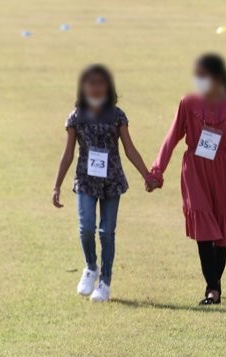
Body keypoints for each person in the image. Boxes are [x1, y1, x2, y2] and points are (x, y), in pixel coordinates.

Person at [147, 53, 226, 305]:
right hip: (194, 171)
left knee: (222, 230)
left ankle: (215, 284)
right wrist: (157, 171)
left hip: (222, 172)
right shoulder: (188, 103)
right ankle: (212, 289)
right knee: (204, 226)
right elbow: (171, 139)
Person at [52, 64, 150, 302]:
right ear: (83, 87)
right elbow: (67, 154)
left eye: (100, 83)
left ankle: (105, 281)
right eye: (91, 83)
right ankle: (91, 267)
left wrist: (147, 175)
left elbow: (129, 149)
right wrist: (56, 186)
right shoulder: (75, 117)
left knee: (107, 232)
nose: (96, 88)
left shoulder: (117, 115)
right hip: (85, 180)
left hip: (112, 181)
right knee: (86, 228)